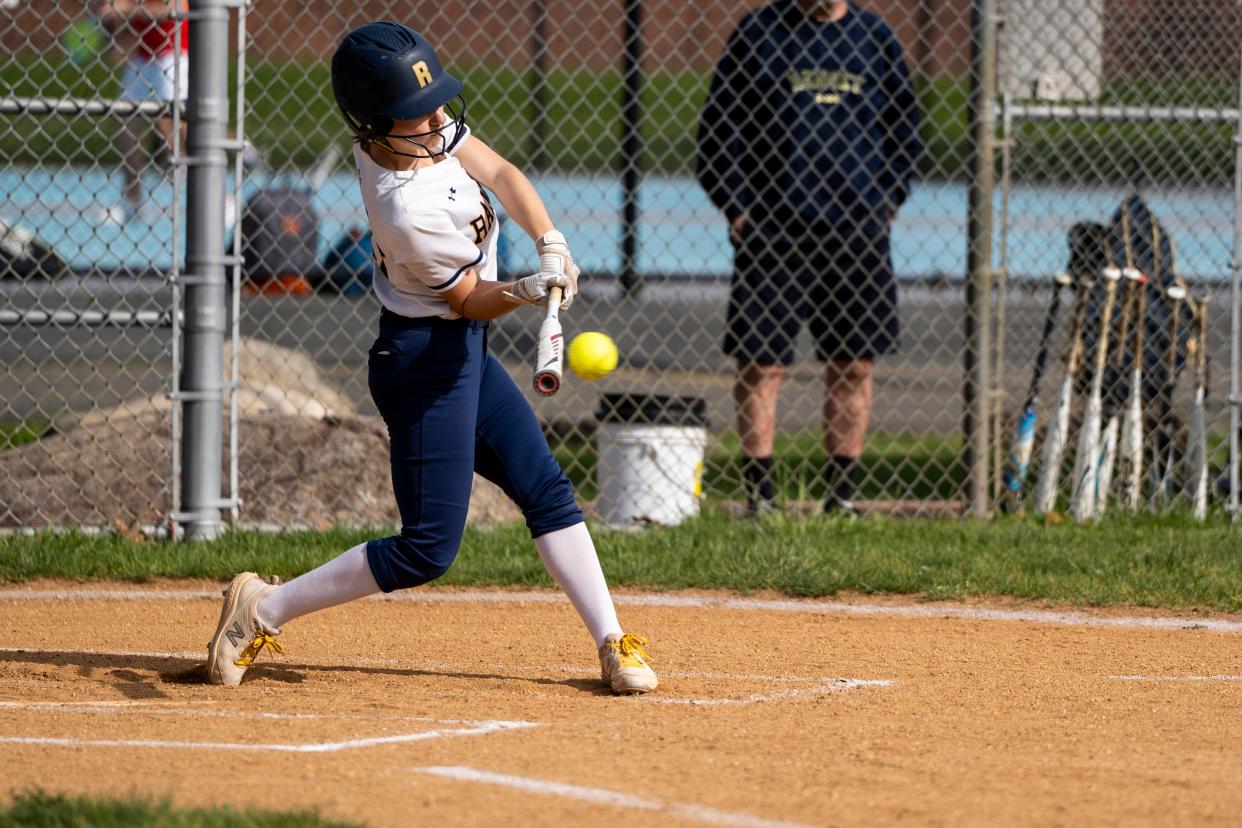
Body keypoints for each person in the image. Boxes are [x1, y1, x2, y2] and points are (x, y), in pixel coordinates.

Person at [206, 21, 657, 696]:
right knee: (427, 549)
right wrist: (526, 291)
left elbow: (501, 172)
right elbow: (472, 298)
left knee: (544, 487)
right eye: (420, 112)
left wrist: (550, 240)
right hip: (423, 366)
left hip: (463, 353)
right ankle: (261, 609)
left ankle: (611, 640)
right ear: (377, 122)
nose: (440, 118)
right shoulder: (404, 210)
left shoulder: (420, 138)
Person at [696, 0, 922, 514]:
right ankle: (761, 499)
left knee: (854, 365)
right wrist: (739, 210)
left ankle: (840, 498)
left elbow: (905, 134)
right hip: (774, 229)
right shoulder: (760, 31)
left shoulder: (876, 37)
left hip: (856, 230)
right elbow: (716, 132)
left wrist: (884, 204)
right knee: (761, 365)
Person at [95, 0, 257, 222]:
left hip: (172, 53)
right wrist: (114, 19)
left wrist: (127, 10)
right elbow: (121, 19)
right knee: (124, 118)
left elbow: (174, 10)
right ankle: (132, 200)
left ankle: (223, 200)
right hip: (143, 58)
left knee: (182, 129)